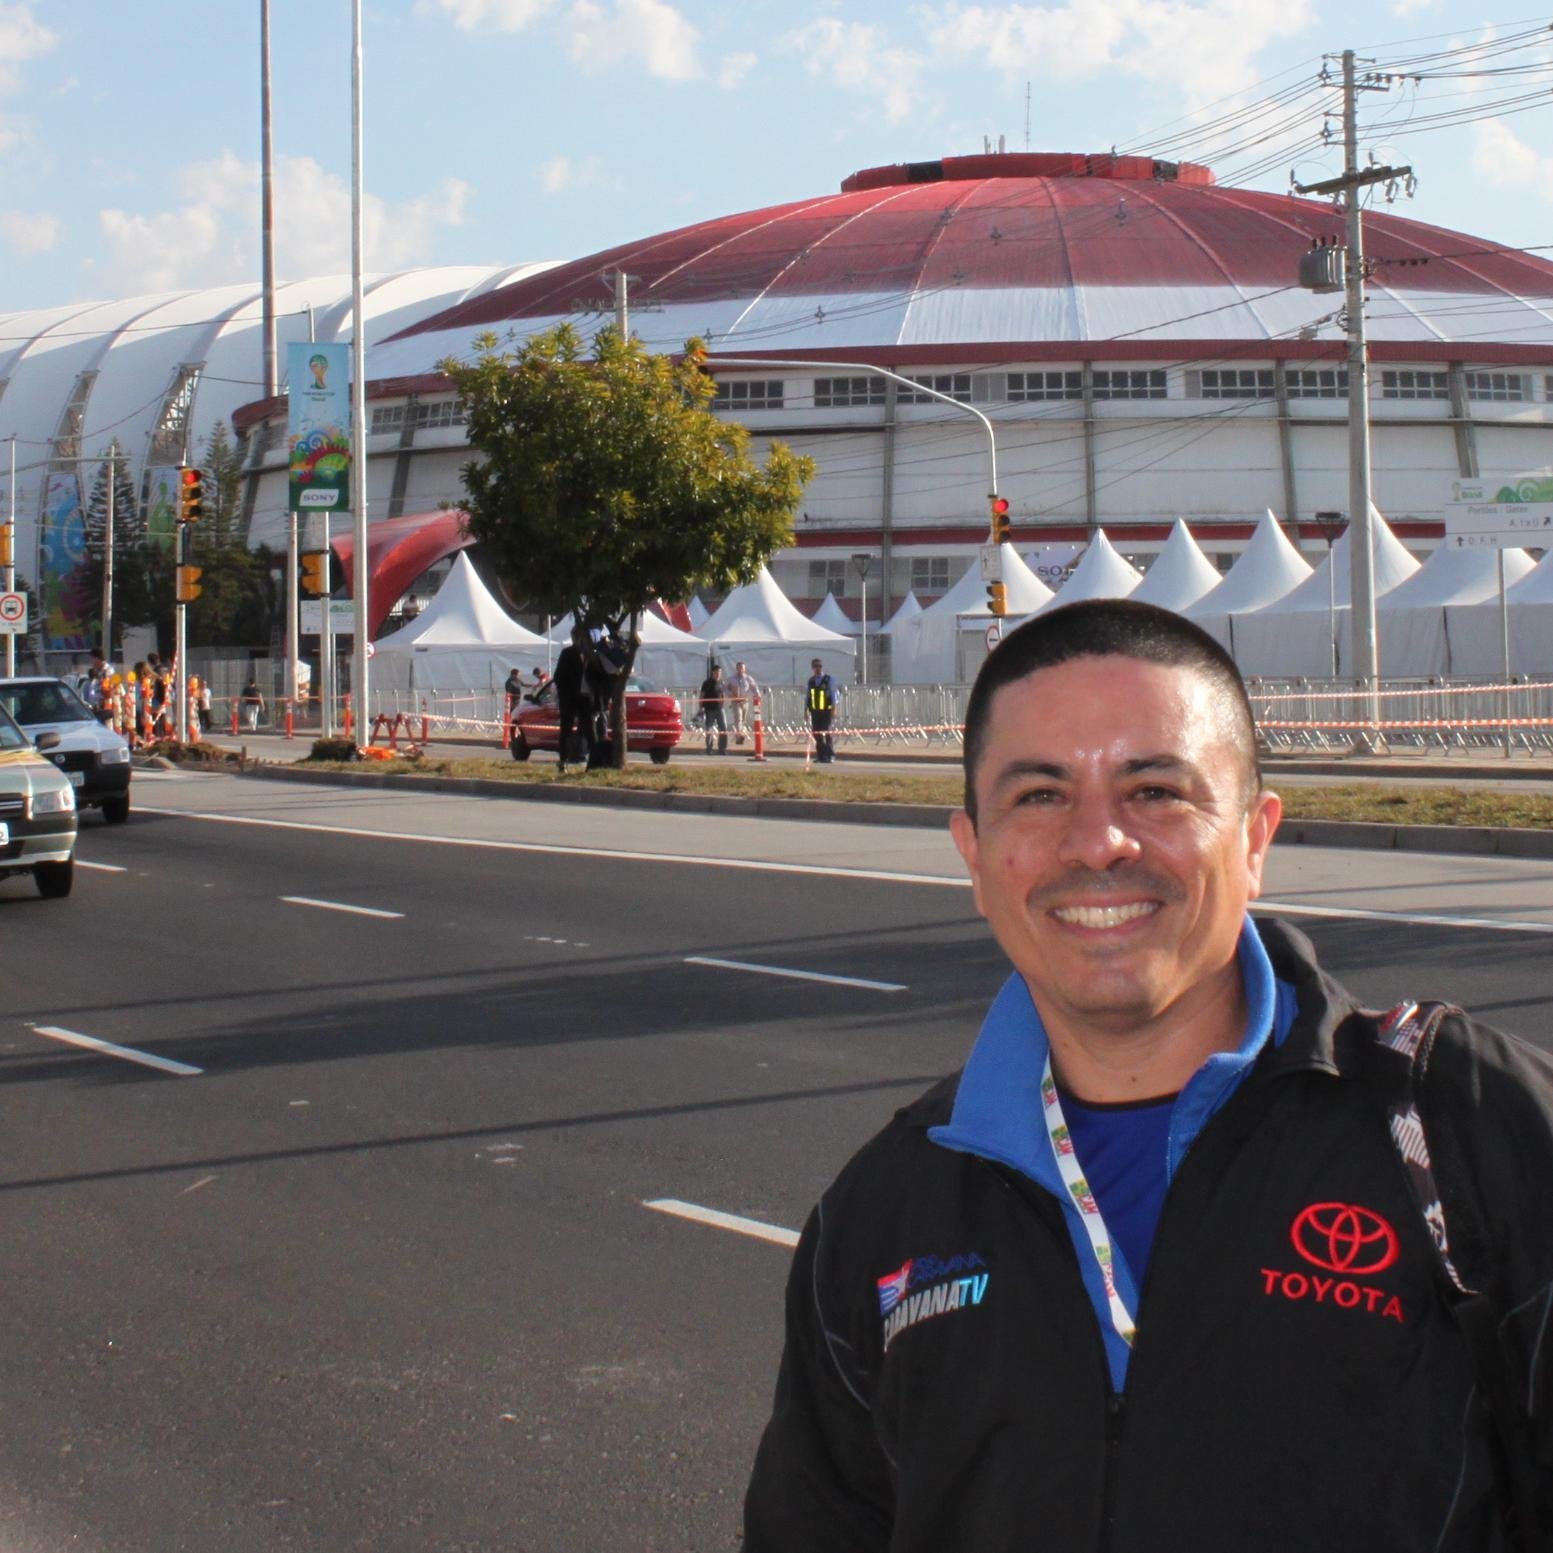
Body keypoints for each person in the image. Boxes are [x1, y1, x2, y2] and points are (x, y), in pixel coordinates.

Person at [745, 598, 1553, 1552]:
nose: (1098, 843)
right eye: (1039, 795)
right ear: (973, 853)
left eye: (1156, 791)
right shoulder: (882, 1212)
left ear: (1254, 837)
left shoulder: (1467, 1128)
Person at [552, 627, 592, 769]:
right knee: (580, 728)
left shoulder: (582, 654)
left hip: (576, 698)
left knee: (574, 729)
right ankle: (567, 759)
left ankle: (569, 759)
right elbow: (558, 677)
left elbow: (558, 677)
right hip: (577, 697)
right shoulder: (580, 653)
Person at [804, 658, 837, 763]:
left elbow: (834, 695)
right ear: (812, 668)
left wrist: (834, 709)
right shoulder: (811, 681)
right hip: (815, 711)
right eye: (816, 666)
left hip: (826, 711)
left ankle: (830, 755)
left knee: (826, 732)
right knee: (816, 733)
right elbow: (808, 697)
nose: (818, 668)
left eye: (820, 666)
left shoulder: (828, 679)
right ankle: (821, 755)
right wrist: (806, 711)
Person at [728, 660, 759, 745]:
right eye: (739, 668)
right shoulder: (731, 679)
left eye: (742, 668)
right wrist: (731, 695)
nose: (741, 670)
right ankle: (739, 736)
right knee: (738, 718)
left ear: (744, 669)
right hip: (736, 701)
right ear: (736, 669)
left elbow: (754, 687)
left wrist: (757, 695)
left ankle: (739, 735)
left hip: (745, 701)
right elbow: (726, 689)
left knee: (743, 720)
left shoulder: (748, 678)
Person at [699, 663, 728, 755]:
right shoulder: (707, 683)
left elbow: (722, 695)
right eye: (717, 672)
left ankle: (722, 748)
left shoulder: (721, 682)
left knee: (723, 728)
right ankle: (709, 748)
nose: (718, 674)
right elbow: (702, 696)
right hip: (709, 709)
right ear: (713, 672)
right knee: (709, 729)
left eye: (720, 672)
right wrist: (701, 708)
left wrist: (723, 703)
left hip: (720, 709)